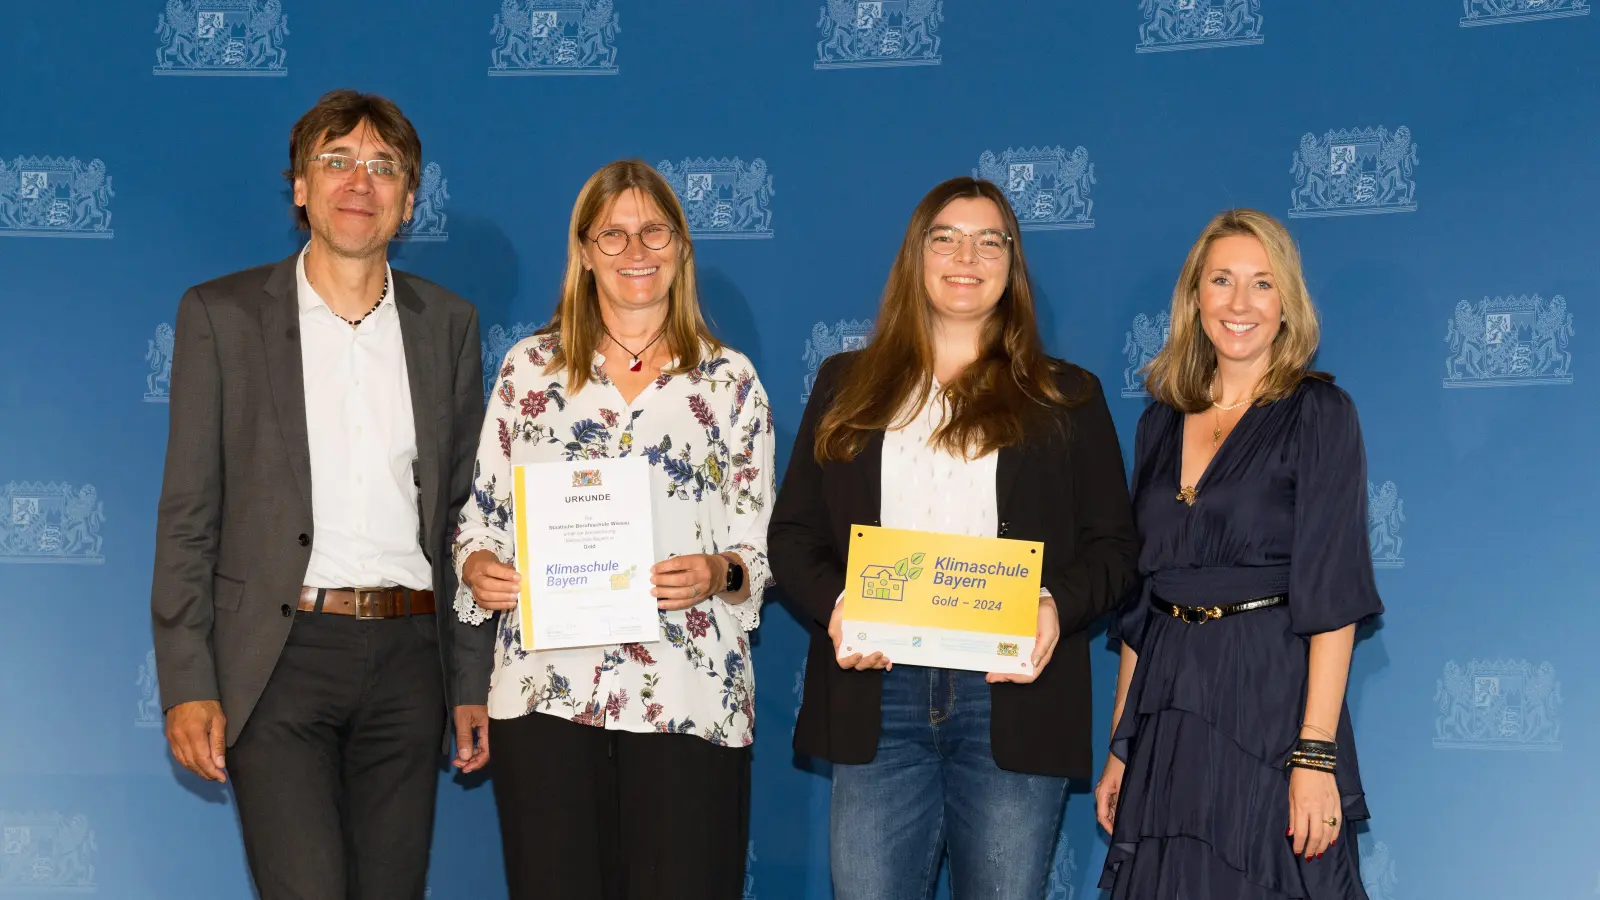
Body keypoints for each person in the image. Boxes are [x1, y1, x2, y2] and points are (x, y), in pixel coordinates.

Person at [149, 89, 492, 900]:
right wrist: (188, 680)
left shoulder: (449, 324)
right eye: (335, 161)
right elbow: (188, 516)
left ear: (409, 200)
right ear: (299, 187)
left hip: (411, 661)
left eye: (382, 167)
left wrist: (471, 680)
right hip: (279, 659)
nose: (357, 183)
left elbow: (465, 521)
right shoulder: (220, 316)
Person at [768, 176, 1140, 900]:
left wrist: (1053, 605)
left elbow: (1115, 550)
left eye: (988, 240)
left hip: (1012, 703)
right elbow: (792, 534)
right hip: (879, 698)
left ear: (1011, 263)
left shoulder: (1068, 396)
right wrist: (839, 605)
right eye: (946, 237)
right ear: (917, 255)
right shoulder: (847, 384)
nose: (966, 255)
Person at [455, 159, 775, 900]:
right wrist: (479, 567)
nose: (637, 251)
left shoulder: (730, 383)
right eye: (614, 234)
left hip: (687, 693)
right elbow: (482, 519)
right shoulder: (526, 372)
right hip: (548, 692)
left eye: (654, 231)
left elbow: (753, 554)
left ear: (681, 246)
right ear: (584, 250)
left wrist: (714, 573)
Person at [1093, 209, 1385, 899]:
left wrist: (1315, 755)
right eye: (1222, 280)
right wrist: (1119, 747)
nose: (1240, 303)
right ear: (1196, 298)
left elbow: (1334, 595)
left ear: (1287, 303)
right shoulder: (1159, 422)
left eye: (1261, 284)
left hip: (1269, 699)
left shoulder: (1320, 414)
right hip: (1168, 708)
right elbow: (1141, 605)